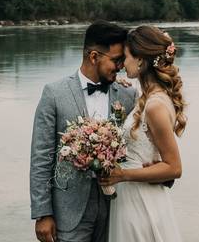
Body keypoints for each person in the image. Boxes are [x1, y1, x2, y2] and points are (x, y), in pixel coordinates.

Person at [30, 21, 138, 242]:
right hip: (69, 211)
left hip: (117, 207)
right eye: (116, 60)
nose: (121, 66)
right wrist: (42, 213)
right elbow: (41, 158)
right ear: (94, 57)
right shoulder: (54, 94)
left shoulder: (128, 95)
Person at [100, 25, 186, 242]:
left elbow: (174, 167)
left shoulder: (155, 105)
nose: (121, 64)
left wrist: (122, 175)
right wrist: (118, 85)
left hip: (140, 201)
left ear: (140, 60)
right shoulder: (148, 96)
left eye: (126, 57)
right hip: (134, 196)